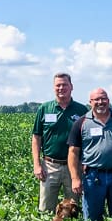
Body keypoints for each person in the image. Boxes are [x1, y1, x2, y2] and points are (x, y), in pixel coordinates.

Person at [67, 88, 112, 221]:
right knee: (92, 219)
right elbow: (73, 152)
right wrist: (75, 178)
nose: (100, 102)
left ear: (108, 101)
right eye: (96, 99)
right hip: (93, 176)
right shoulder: (81, 123)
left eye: (103, 98)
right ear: (90, 102)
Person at [31, 72, 88, 213]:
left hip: (74, 167)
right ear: (53, 88)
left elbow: (87, 139)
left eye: (64, 85)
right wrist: (37, 164)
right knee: (46, 208)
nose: (61, 88)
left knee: (73, 208)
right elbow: (36, 137)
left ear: (71, 87)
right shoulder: (44, 109)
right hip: (50, 165)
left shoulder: (81, 110)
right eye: (58, 85)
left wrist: (85, 162)